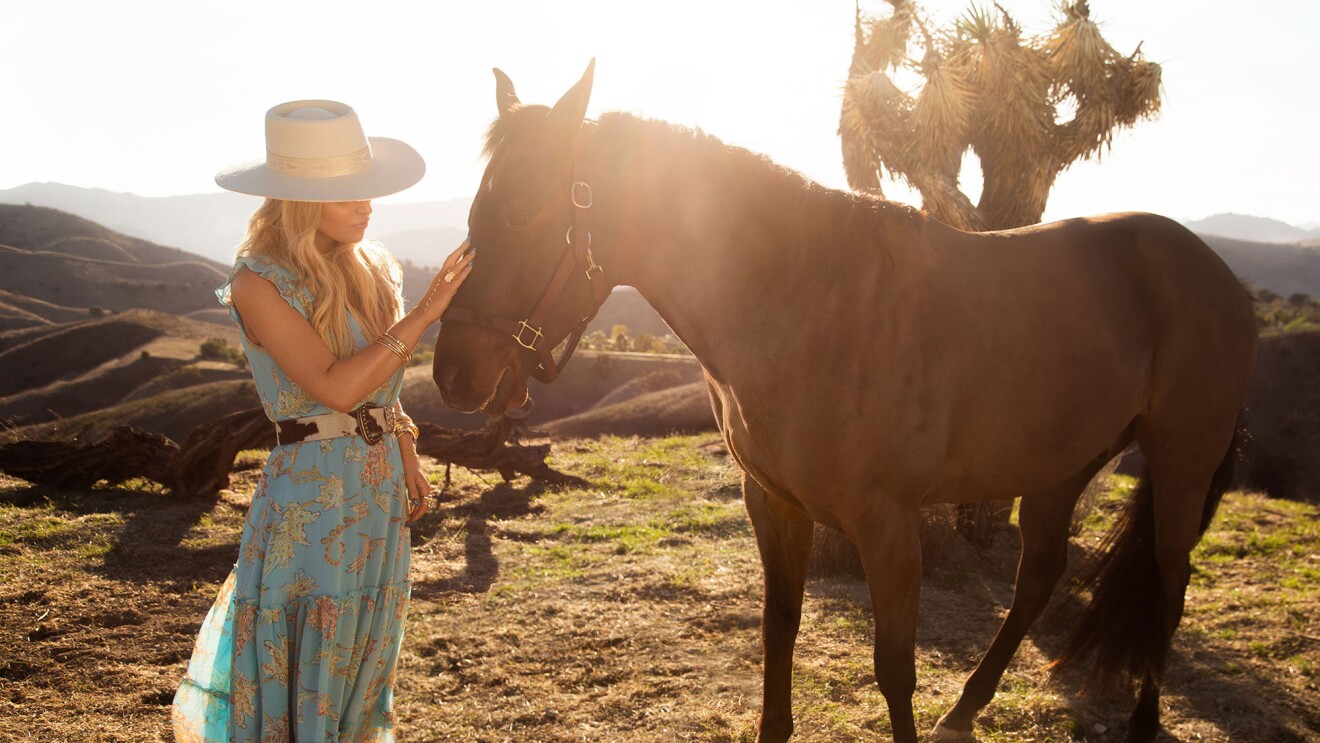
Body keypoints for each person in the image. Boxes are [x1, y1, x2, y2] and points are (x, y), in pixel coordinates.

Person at [171, 100, 473, 741]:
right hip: (310, 494)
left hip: (376, 483)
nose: (367, 207)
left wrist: (408, 454)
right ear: (302, 202)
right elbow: (335, 388)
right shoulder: (259, 282)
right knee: (310, 638)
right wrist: (425, 314)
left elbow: (380, 390)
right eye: (348, 196)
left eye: (367, 193)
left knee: (367, 641)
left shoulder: (372, 267)